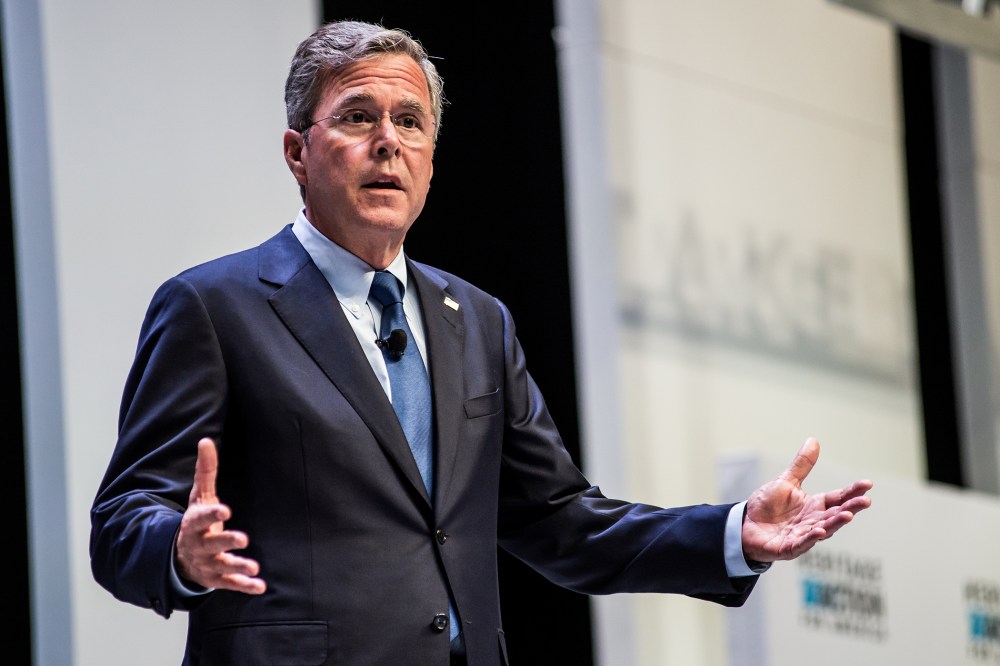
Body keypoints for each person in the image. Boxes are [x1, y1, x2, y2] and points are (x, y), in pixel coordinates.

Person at [90, 20, 873, 666]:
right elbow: (123, 518)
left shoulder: (477, 320)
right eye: (358, 117)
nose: (388, 142)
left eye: (410, 122)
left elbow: (561, 522)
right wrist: (178, 553)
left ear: (431, 157)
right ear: (298, 152)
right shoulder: (215, 307)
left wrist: (734, 535)